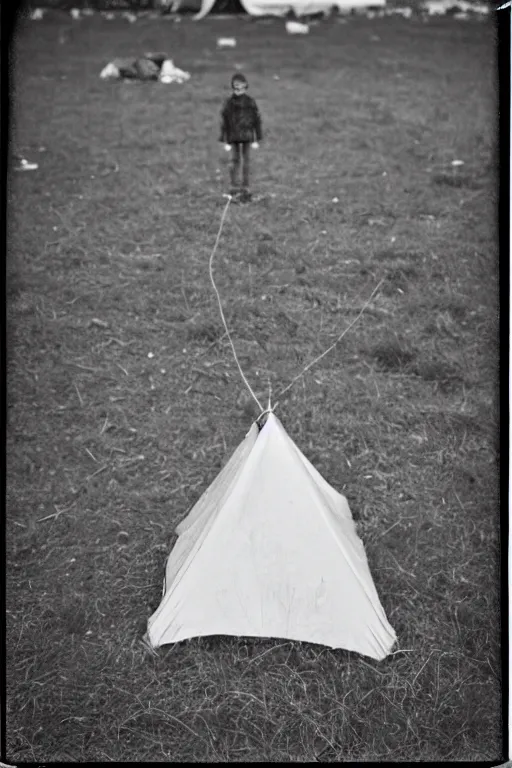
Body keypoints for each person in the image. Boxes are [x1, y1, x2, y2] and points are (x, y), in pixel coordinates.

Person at [219, 73, 263, 203]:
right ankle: (234, 186)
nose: (239, 91)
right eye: (236, 88)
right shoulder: (229, 104)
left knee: (246, 162)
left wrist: (256, 138)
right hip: (234, 137)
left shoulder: (250, 102)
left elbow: (256, 120)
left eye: (242, 88)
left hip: (247, 136)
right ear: (233, 87)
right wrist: (225, 139)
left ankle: (246, 186)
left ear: (246, 87)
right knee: (235, 160)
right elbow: (225, 122)